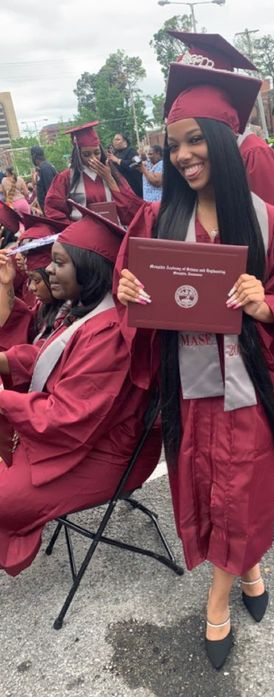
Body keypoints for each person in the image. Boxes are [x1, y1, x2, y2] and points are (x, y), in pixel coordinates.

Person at [115, 58, 274, 670]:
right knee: (208, 489)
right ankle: (250, 570)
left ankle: (218, 600)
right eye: (174, 144)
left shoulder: (270, 223)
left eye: (196, 139)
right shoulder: (156, 219)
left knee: (244, 489)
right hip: (189, 386)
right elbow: (135, 307)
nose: (182, 156)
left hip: (248, 387)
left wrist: (265, 306)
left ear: (224, 142)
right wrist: (126, 294)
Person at [0, 203, 161, 578]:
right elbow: (43, 356)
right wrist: (4, 361)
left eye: (59, 262)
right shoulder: (83, 312)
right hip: (74, 443)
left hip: (104, 454)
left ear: (88, 268)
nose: (48, 271)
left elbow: (65, 416)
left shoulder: (108, 333)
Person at [0, 215, 68, 351]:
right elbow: (22, 321)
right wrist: (6, 284)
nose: (31, 287)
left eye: (36, 279)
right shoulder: (44, 305)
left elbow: (38, 355)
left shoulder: (70, 314)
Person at [44, 121, 123, 224]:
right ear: (78, 154)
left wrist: (109, 178)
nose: (93, 158)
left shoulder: (110, 172)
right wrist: (73, 229)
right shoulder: (66, 177)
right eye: (86, 154)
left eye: (97, 153)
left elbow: (127, 203)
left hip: (113, 230)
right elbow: (53, 209)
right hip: (81, 234)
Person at [108, 133, 143, 198]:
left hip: (134, 188)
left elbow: (137, 163)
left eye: (117, 139)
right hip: (122, 188)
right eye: (114, 140)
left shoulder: (131, 151)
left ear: (125, 142)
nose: (114, 142)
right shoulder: (115, 153)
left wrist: (118, 161)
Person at [30, 146, 57, 213]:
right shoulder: (43, 167)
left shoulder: (45, 168)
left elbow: (50, 190)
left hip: (51, 209)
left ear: (34, 156)